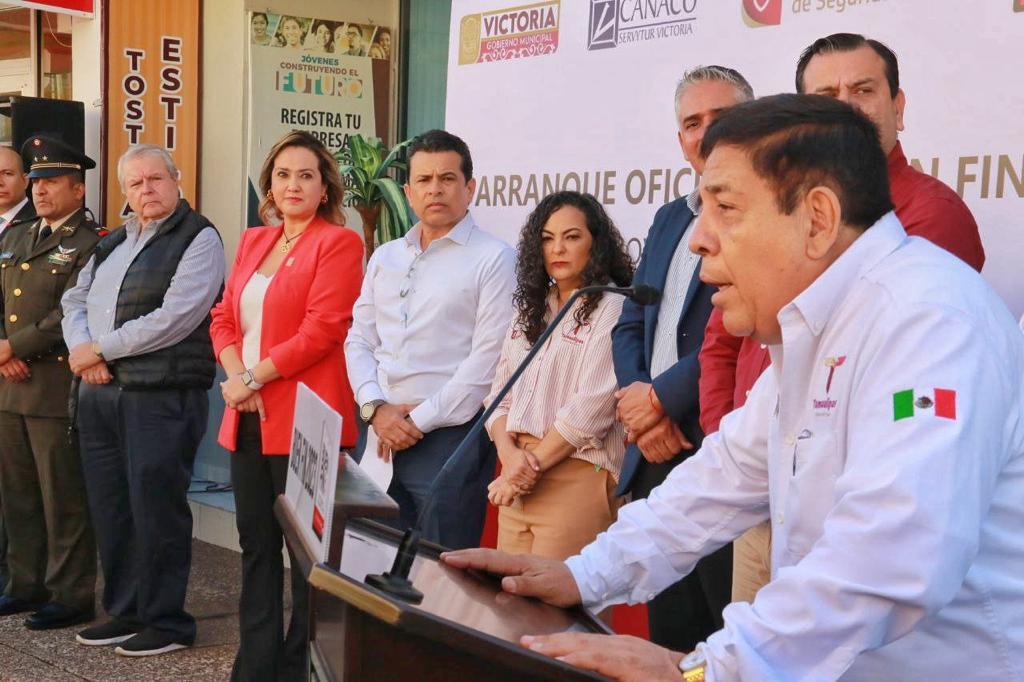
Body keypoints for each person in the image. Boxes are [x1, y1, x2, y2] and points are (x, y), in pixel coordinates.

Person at [442, 94, 1024, 681]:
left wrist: (705, 672)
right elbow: (718, 480)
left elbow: (893, 555)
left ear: (818, 219)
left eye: (725, 208)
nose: (698, 239)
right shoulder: (814, 330)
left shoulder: (929, 321)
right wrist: (583, 575)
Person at [700, 33, 988, 604]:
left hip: (851, 528)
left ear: (897, 107)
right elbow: (723, 350)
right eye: (826, 97)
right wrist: (587, 575)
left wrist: (715, 660)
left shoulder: (926, 258)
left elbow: (886, 558)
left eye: (862, 90)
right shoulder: (780, 242)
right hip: (770, 498)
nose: (846, 109)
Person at [61, 144, 225, 657]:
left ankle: (167, 622)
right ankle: (126, 611)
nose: (147, 189)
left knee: (157, 510)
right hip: (100, 393)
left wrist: (99, 350)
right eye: (136, 183)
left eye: (156, 178)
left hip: (160, 396)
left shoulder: (199, 237)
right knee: (112, 507)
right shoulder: (113, 241)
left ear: (176, 180)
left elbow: (176, 317)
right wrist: (83, 352)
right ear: (124, 192)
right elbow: (73, 300)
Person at [210, 131, 362, 681]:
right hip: (246, 416)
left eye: (305, 175)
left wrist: (253, 376)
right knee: (255, 548)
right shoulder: (253, 240)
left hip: (304, 423)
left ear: (324, 188)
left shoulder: (339, 244)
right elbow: (223, 318)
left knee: (306, 558)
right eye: (282, 175)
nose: (293, 184)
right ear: (269, 187)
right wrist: (238, 379)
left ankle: (300, 669)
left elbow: (323, 331)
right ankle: (255, 667)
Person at [611, 65, 752, 651]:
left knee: (721, 636)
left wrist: (661, 401)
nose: (707, 132)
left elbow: (733, 338)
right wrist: (640, 409)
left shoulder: (764, 215)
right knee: (668, 635)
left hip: (713, 446)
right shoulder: (671, 218)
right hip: (653, 450)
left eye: (722, 117)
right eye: (694, 122)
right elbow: (631, 321)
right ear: (680, 140)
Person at [344, 129, 515, 549]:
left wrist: (412, 423)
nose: (434, 189)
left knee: (441, 571)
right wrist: (375, 409)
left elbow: (486, 365)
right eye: (423, 179)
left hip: (449, 441)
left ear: (470, 188)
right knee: (372, 563)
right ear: (408, 192)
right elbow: (359, 340)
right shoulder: (386, 256)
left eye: (447, 178)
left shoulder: (494, 258)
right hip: (379, 434)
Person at [485, 191, 632, 560]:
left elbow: (591, 410)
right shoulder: (532, 309)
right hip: (517, 472)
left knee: (555, 596)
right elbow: (499, 396)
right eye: (548, 238)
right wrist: (509, 457)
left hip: (577, 472)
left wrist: (522, 471)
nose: (558, 249)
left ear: (596, 243)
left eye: (572, 237)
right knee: (508, 593)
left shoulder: (613, 306)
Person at [0, 137, 100, 630]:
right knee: (17, 496)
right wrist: (3, 352)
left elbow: (71, 314)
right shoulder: (18, 236)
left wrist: (13, 347)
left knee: (62, 497)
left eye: (52, 182)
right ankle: (25, 584)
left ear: (78, 189)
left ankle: (71, 594)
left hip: (54, 389)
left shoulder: (91, 243)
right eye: (36, 182)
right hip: (9, 386)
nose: (39, 191)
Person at [0, 144, 33, 592]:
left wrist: (9, 350)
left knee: (17, 486)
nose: (0, 181)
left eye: (8, 173)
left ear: (26, 180)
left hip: (25, 371)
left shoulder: (36, 226)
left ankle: (16, 573)